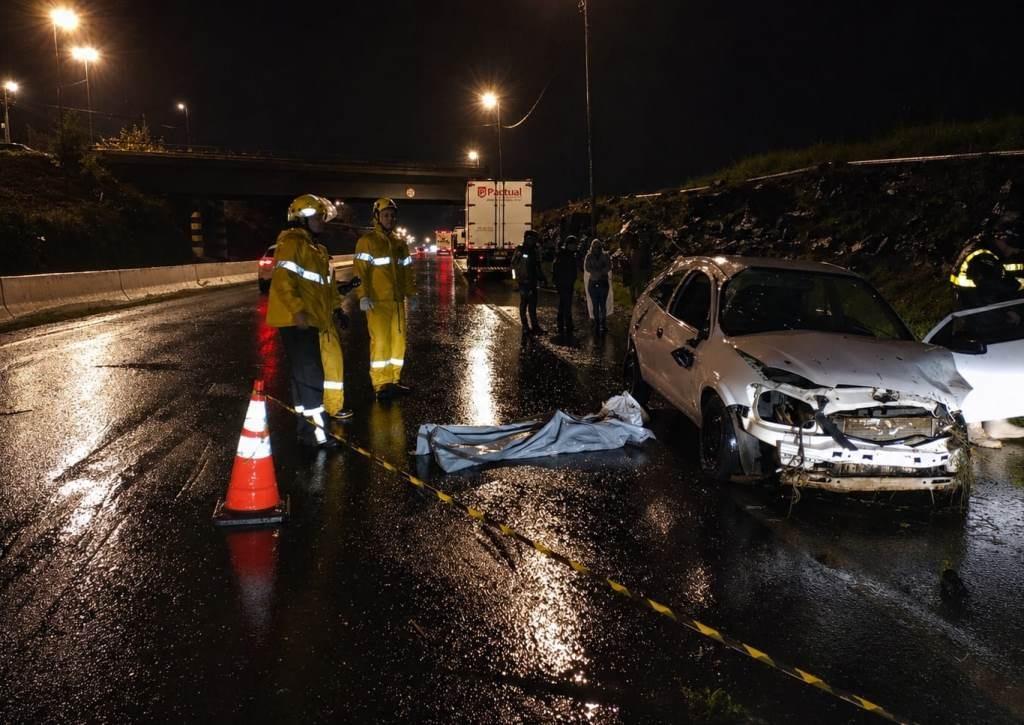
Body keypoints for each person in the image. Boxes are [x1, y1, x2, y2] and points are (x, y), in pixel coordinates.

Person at [266, 194, 346, 448]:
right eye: (318, 217)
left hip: (310, 319)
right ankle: (318, 435)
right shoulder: (292, 243)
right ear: (303, 218)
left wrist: (336, 310)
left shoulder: (314, 248)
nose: (322, 222)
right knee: (311, 376)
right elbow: (283, 281)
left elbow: (324, 287)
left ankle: (305, 428)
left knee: (302, 377)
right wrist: (299, 311)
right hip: (297, 320)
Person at [949, 205, 1024, 447]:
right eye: (1012, 246)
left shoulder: (987, 252)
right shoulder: (980, 256)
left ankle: (996, 422)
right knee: (979, 375)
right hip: (976, 322)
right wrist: (1017, 288)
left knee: (997, 370)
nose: (1013, 251)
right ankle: (974, 428)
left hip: (987, 320)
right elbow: (994, 286)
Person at [354, 198, 417, 400]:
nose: (390, 218)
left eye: (392, 215)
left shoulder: (400, 244)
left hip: (397, 303)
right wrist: (363, 295)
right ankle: (380, 383)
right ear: (377, 217)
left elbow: (407, 271)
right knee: (380, 343)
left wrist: (411, 293)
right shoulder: (367, 242)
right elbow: (360, 272)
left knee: (398, 343)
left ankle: (394, 380)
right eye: (385, 215)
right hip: (377, 303)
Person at [511, 230, 546, 336]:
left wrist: (542, 278)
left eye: (534, 239)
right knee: (524, 304)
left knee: (533, 305)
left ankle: (535, 326)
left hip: (533, 281)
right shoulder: (520, 250)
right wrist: (515, 280)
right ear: (526, 239)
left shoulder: (535, 250)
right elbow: (513, 266)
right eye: (531, 239)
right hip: (523, 281)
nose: (533, 241)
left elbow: (538, 265)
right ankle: (525, 326)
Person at [584, 237, 611, 334]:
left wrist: (601, 272)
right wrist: (596, 272)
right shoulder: (589, 256)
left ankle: (603, 323)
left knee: (602, 304)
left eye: (598, 247)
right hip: (593, 282)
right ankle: (597, 323)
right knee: (595, 304)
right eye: (595, 247)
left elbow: (609, 266)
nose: (597, 249)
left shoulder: (605, 255)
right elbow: (587, 268)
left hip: (603, 282)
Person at [553, 235, 579, 336]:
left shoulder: (570, 255)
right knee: (566, 304)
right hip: (563, 283)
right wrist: (558, 283)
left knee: (564, 304)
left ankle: (561, 323)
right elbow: (557, 270)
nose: (575, 246)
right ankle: (567, 324)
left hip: (568, 283)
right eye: (573, 244)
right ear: (568, 245)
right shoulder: (563, 255)